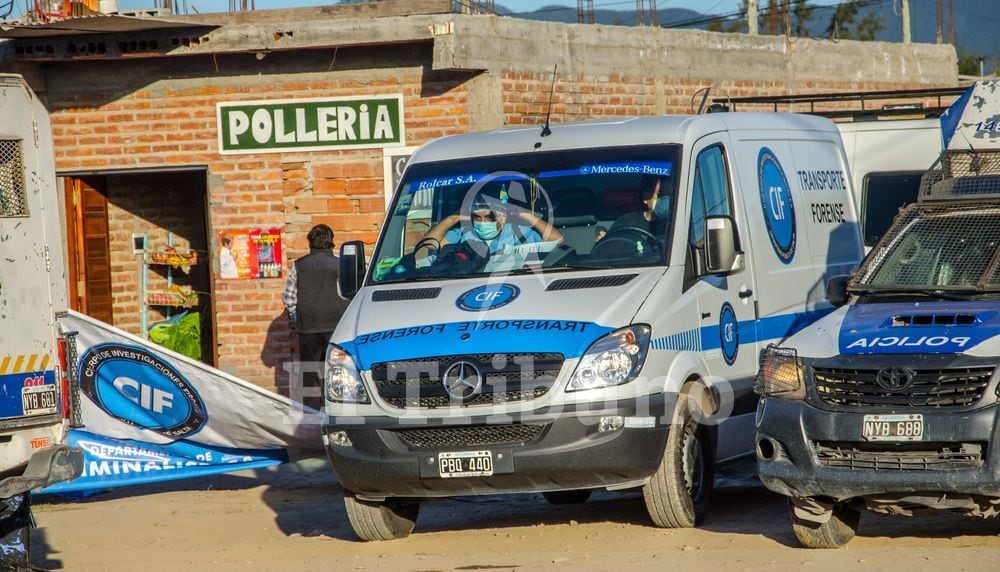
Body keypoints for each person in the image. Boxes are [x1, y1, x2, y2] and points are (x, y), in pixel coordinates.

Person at [282, 224, 349, 410]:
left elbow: (288, 298)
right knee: (335, 370)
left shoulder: (299, 266)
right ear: (331, 243)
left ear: (310, 243)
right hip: (336, 328)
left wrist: (298, 319)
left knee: (309, 374)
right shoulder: (341, 266)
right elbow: (351, 294)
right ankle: (334, 408)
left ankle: (308, 413)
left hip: (308, 328)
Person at [416, 194, 563, 260]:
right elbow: (430, 244)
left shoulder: (516, 232)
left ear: (502, 217)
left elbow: (557, 240)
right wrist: (454, 217)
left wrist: (525, 215)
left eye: (489, 217)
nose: (483, 222)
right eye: (477, 217)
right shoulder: (464, 233)